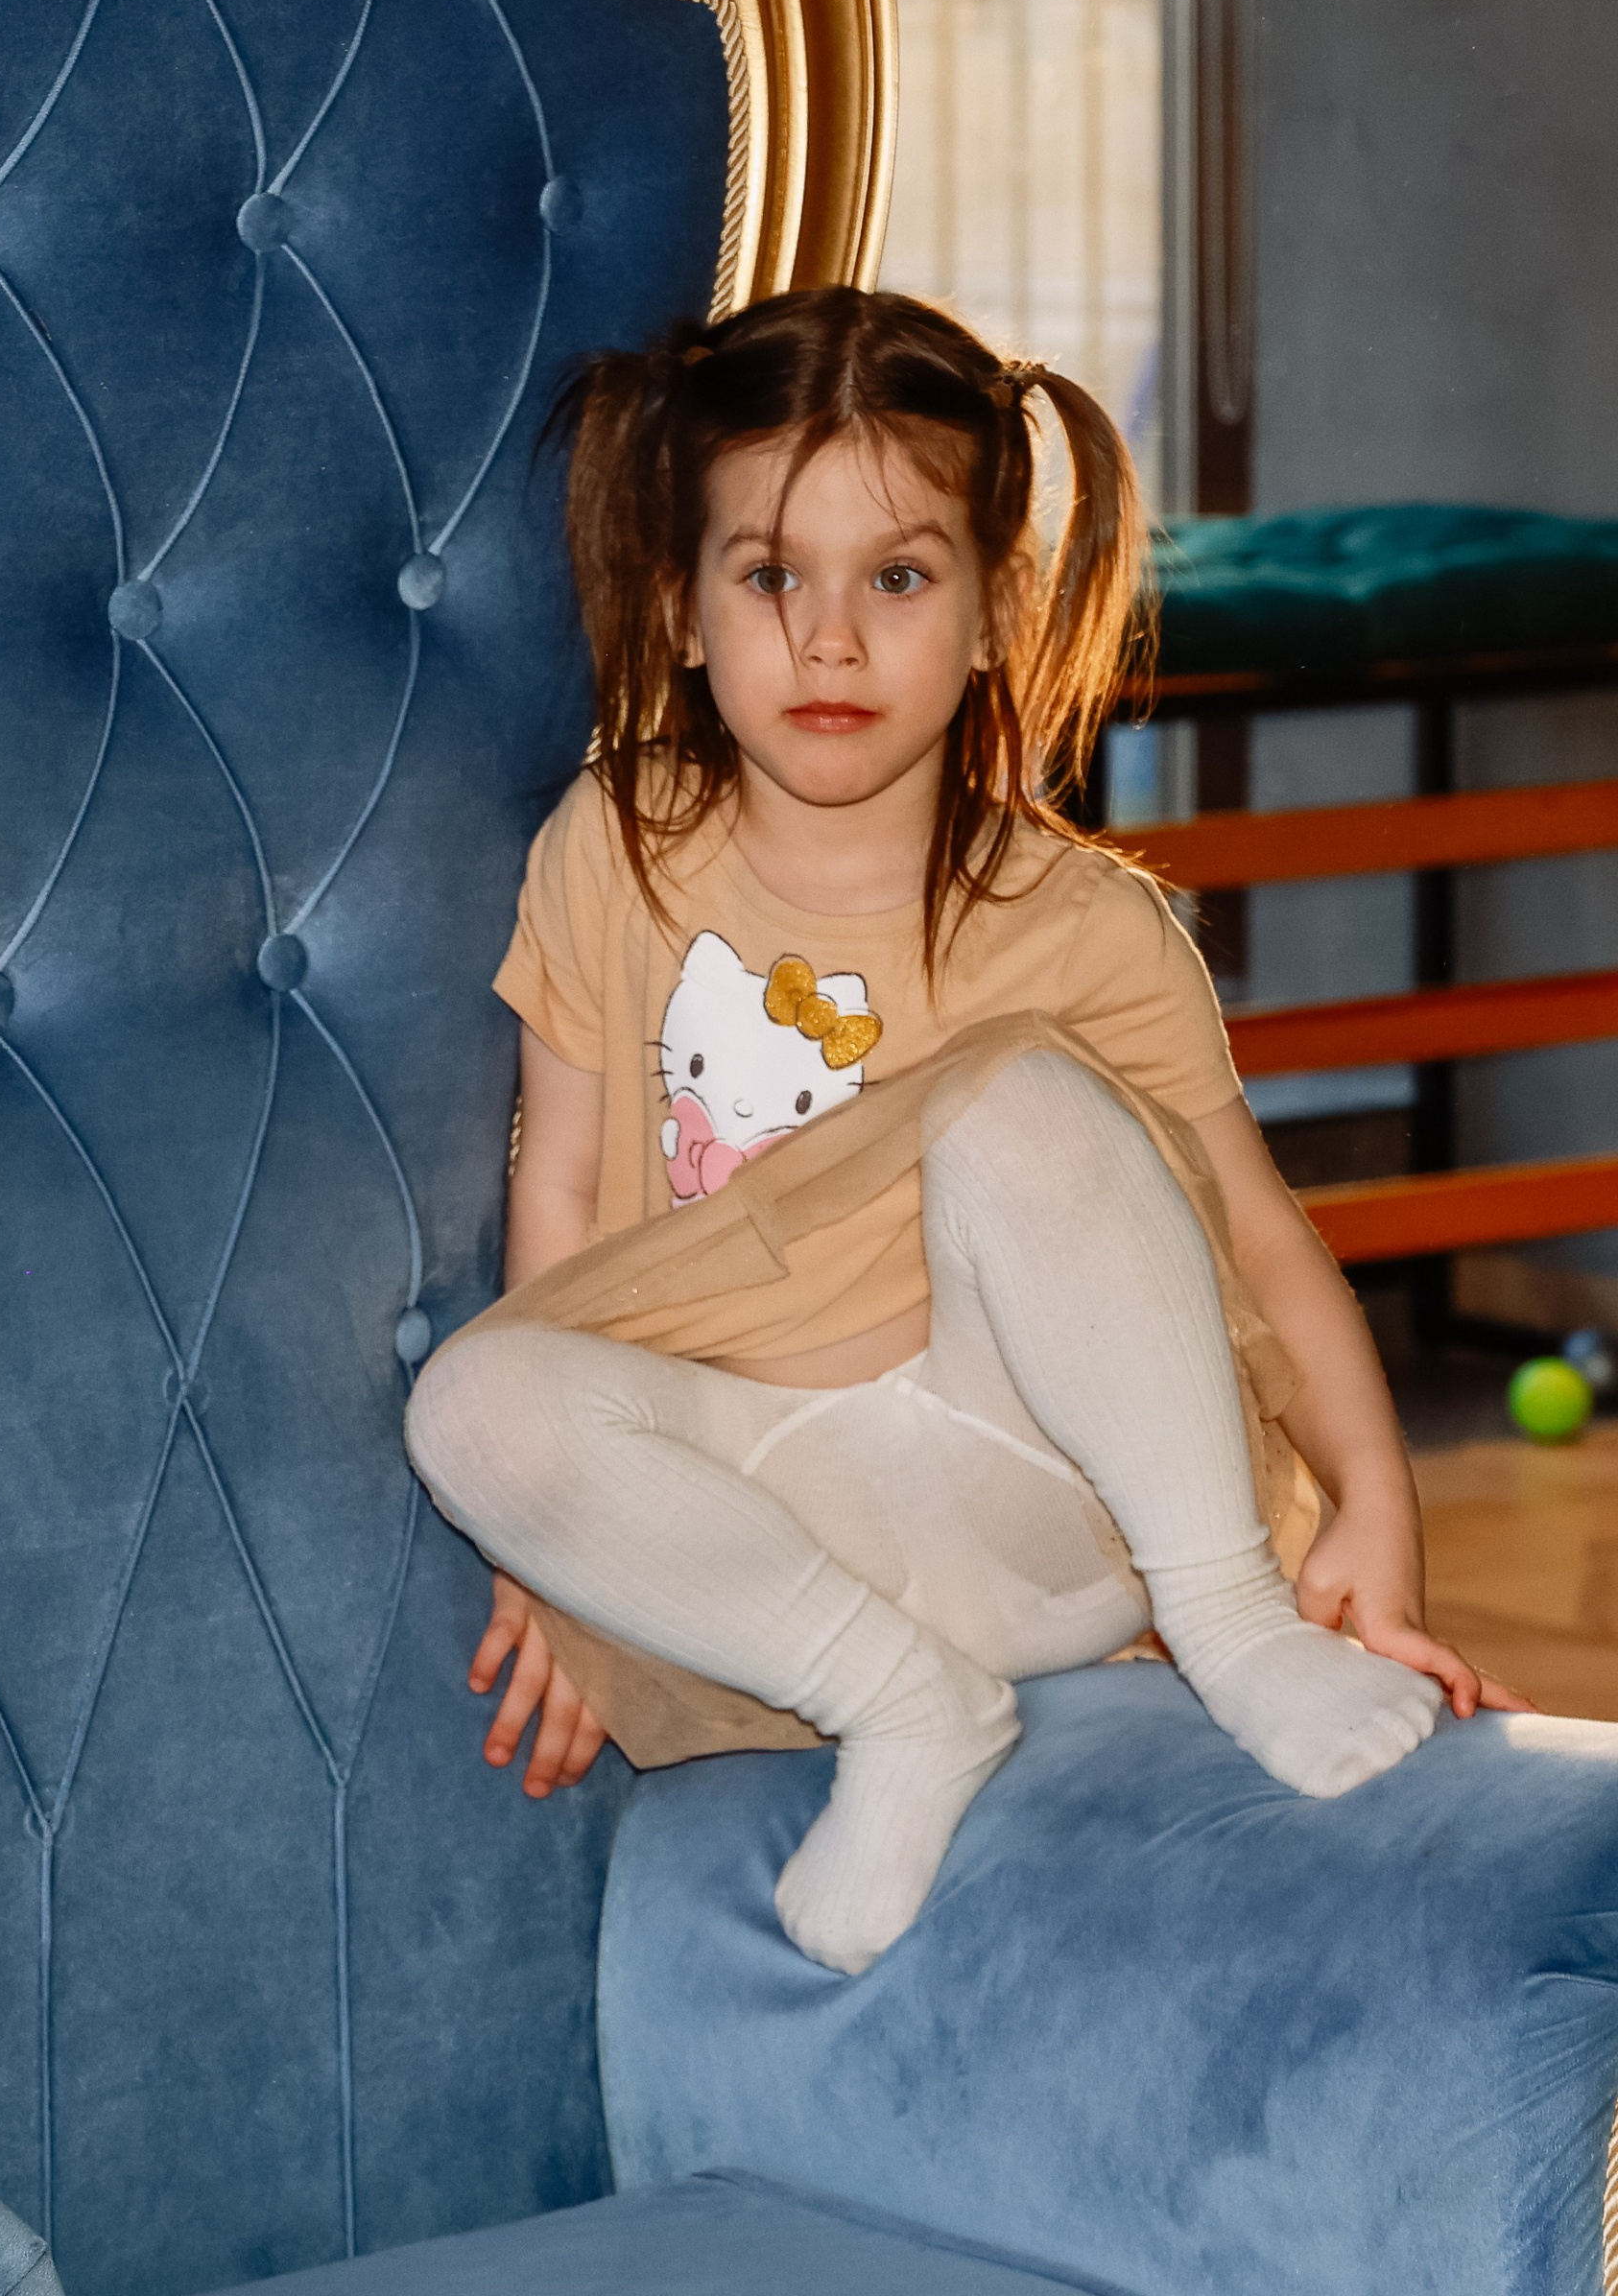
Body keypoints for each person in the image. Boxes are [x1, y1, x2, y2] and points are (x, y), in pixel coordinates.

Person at [405, 286, 1525, 1977]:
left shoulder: (1084, 925)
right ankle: (907, 1709)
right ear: (685, 610)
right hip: (782, 1544)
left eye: (898, 578)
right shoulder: (613, 844)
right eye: (770, 577)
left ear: (997, 611)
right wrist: (563, 1562)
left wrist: (1377, 1506)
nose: (830, 641)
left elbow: (1260, 1235)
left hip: (1036, 1501)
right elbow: (557, 1203)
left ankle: (1229, 1623)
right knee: (473, 1396)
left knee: (1020, 1093)